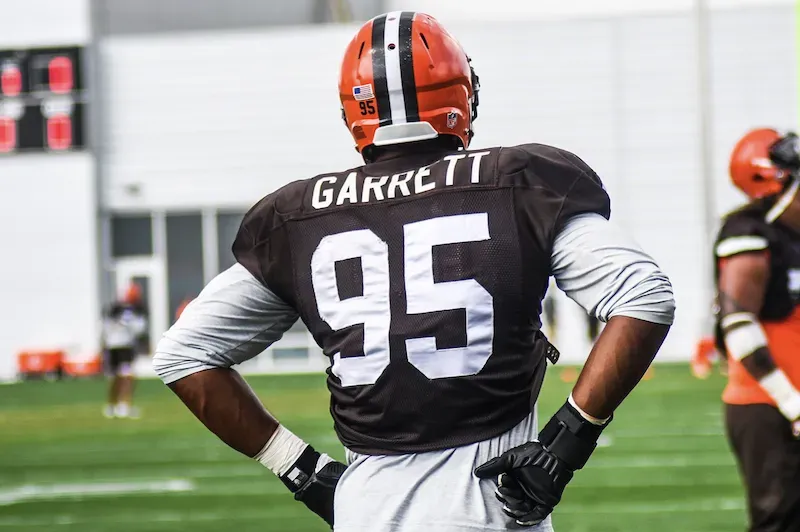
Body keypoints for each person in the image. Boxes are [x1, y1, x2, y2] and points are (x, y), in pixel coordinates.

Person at [153, 11, 675, 531]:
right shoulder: (517, 182)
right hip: (490, 509)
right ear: (461, 94)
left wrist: (300, 469)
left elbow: (183, 354)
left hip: (367, 509)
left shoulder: (298, 216)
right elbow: (645, 297)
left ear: (353, 112)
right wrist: (569, 440)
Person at [714, 128, 800, 532]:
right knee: (778, 522)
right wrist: (792, 403)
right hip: (768, 405)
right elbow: (739, 325)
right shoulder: (749, 233)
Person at [101, 283, 148, 419]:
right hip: (114, 346)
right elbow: (106, 327)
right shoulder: (114, 310)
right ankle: (112, 405)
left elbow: (139, 329)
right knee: (114, 377)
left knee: (128, 376)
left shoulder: (135, 311)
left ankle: (124, 405)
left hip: (126, 347)